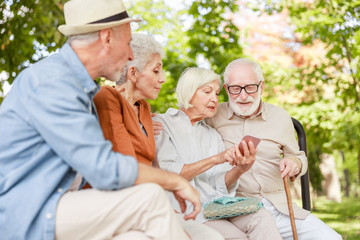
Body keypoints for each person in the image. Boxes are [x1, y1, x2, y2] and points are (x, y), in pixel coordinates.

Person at [0, 0, 202, 239]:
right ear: (107, 38)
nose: (130, 56)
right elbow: (105, 168)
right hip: (29, 212)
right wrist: (176, 182)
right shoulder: (53, 82)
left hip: (61, 204)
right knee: (150, 197)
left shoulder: (80, 88)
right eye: (127, 44)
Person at [93, 33, 224, 240]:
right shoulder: (107, 98)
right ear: (133, 74)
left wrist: (166, 202)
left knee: (213, 237)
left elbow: (154, 166)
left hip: (151, 201)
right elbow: (127, 167)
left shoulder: (144, 108)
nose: (162, 78)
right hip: (123, 201)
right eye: (156, 71)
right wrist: (175, 185)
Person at [205, 58, 343, 240]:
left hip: (279, 207)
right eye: (236, 88)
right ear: (226, 89)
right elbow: (185, 120)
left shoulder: (280, 117)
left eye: (250, 87)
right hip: (235, 209)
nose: (243, 96)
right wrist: (155, 120)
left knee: (330, 238)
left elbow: (298, 156)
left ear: (261, 87)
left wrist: (294, 163)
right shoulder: (212, 115)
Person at [153, 67, 282, 240]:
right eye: (207, 92)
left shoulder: (212, 135)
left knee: (262, 217)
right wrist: (216, 159)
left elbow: (219, 184)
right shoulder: (162, 124)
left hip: (217, 207)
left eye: (216, 93)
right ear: (189, 91)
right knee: (237, 237)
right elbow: (170, 174)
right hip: (188, 210)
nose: (214, 99)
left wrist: (241, 169)